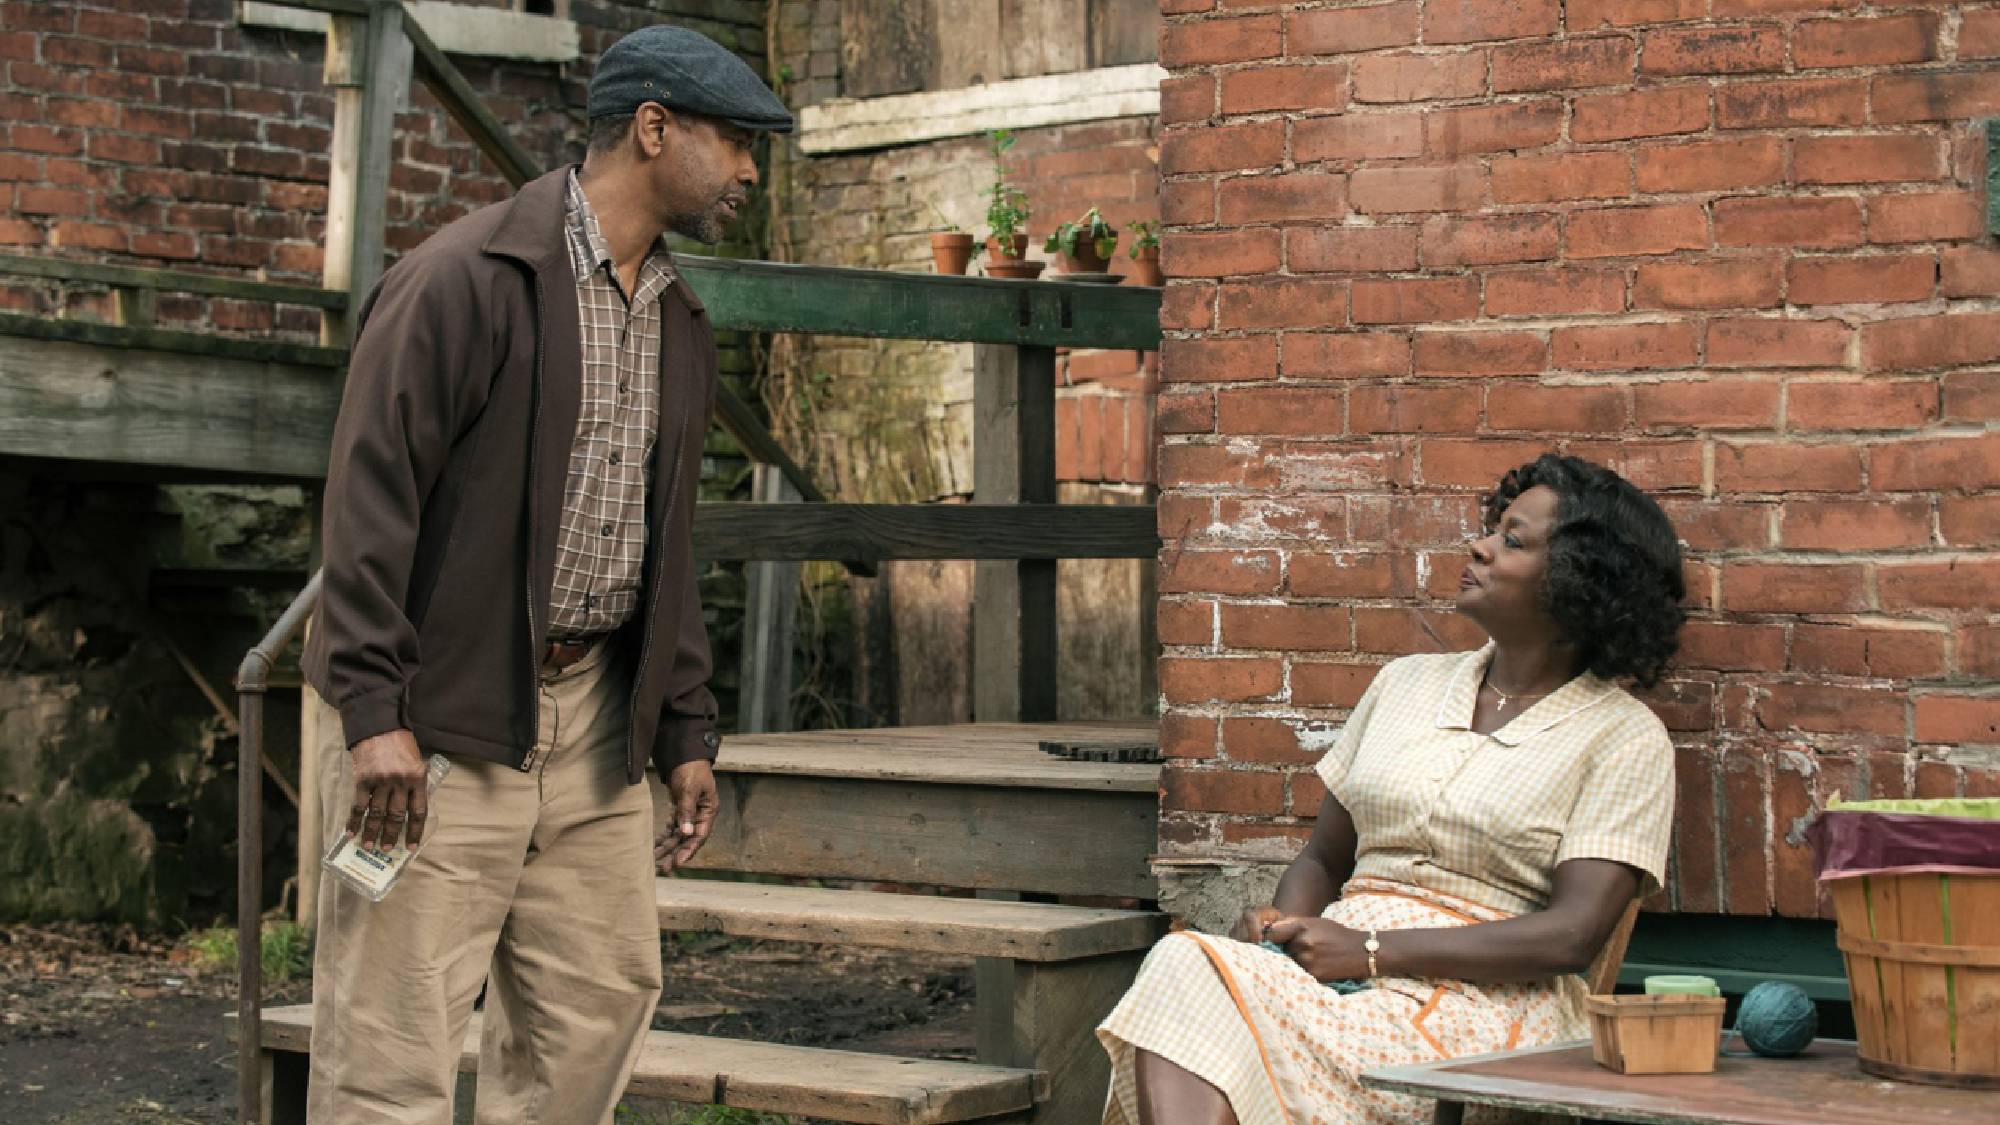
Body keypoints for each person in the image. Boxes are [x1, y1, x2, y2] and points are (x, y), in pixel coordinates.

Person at [297, 26, 793, 1125]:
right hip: (443, 723)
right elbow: (367, 508)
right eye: (737, 142)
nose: (751, 172)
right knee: (391, 1046)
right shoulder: (457, 283)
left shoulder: (676, 316)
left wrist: (682, 727)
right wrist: (374, 712)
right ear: (654, 128)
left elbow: (662, 534)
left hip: (596, 727)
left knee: (591, 1025)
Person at [1099, 453, 1687, 1125]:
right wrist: (1282, 927)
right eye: (1495, 529)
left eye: (1513, 540)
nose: (1480, 546)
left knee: (1190, 980)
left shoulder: (1622, 736)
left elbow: (1573, 935)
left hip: (1485, 1014)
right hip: (1335, 980)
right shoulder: (1405, 684)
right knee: (1189, 971)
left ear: (1581, 583)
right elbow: (1324, 858)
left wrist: (1373, 953)